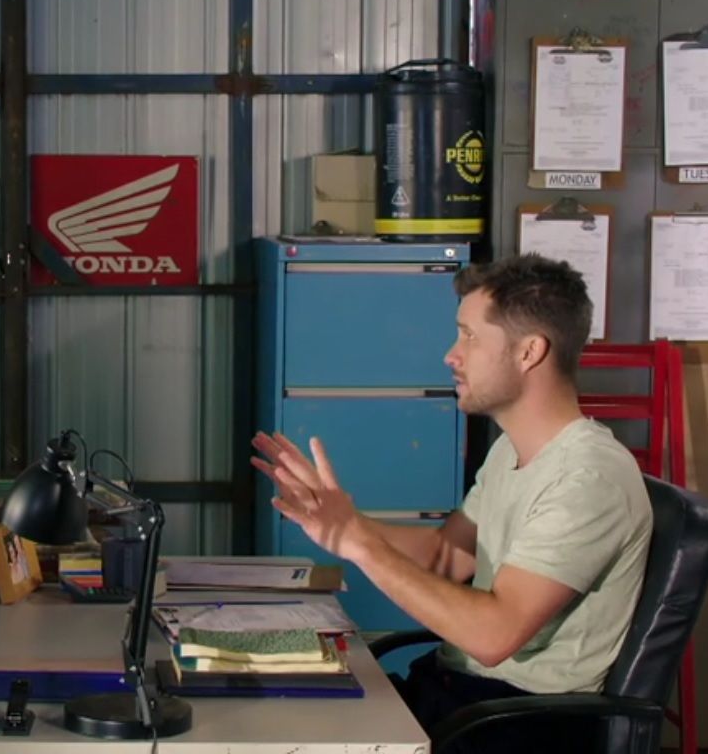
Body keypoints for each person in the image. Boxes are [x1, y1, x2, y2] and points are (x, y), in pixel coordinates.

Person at [251, 254, 652, 753]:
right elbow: (446, 556)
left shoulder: (588, 479)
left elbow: (493, 635)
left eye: (470, 337)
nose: (451, 355)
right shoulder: (513, 451)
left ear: (530, 352)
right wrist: (344, 523)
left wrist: (360, 545)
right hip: (460, 696)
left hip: (517, 725)